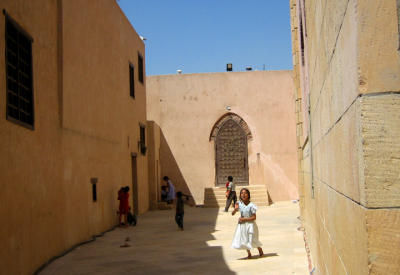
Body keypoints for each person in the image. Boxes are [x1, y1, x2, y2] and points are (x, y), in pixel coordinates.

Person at [231, 188, 264, 259]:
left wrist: (244, 219)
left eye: (245, 193)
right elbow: (232, 214)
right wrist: (235, 210)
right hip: (242, 225)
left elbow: (254, 217)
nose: (243, 194)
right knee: (244, 239)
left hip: (250, 225)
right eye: (242, 193)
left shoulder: (252, 205)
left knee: (253, 239)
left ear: (248, 195)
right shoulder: (239, 204)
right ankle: (249, 253)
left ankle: (259, 248)